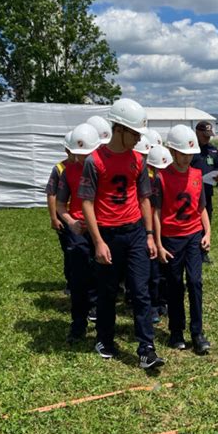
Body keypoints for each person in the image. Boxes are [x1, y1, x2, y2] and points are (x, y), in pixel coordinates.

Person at [78, 98, 165, 370]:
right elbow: (87, 203)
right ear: (120, 129)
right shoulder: (94, 161)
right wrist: (98, 242)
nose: (138, 139)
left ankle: (146, 349)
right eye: (134, 133)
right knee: (107, 292)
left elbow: (144, 199)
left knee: (141, 291)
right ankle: (105, 339)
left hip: (136, 233)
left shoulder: (138, 161)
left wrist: (150, 234)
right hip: (108, 236)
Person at [153, 125, 211, 354]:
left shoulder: (197, 175)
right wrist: (157, 243)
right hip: (171, 239)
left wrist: (208, 233)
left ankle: (197, 333)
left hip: (193, 237)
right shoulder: (161, 178)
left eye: (190, 154)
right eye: (183, 153)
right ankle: (176, 331)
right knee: (175, 286)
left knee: (195, 283)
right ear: (172, 151)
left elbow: (202, 208)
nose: (187, 158)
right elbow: (156, 213)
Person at [56, 123, 100, 343]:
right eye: (77, 154)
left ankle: (102, 320)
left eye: (86, 154)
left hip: (102, 229)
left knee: (103, 277)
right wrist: (71, 222)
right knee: (78, 278)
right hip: (78, 231)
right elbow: (61, 204)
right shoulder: (68, 172)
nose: (82, 159)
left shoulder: (104, 169)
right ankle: (78, 323)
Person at [147, 139, 173, 323]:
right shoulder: (146, 181)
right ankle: (153, 305)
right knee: (153, 273)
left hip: (168, 230)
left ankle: (164, 301)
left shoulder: (169, 181)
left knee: (167, 272)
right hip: (150, 229)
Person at [45, 131, 74, 295]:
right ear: (66, 150)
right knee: (69, 251)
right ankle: (71, 282)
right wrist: (54, 217)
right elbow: (51, 194)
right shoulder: (59, 169)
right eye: (70, 151)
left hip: (80, 215)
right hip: (64, 215)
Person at [192, 121, 218, 263]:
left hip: (207, 192)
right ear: (197, 132)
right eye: (205, 135)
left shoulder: (213, 150)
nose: (207, 138)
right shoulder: (190, 150)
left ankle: (203, 251)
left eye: (209, 136)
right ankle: (192, 250)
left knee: (206, 220)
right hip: (191, 194)